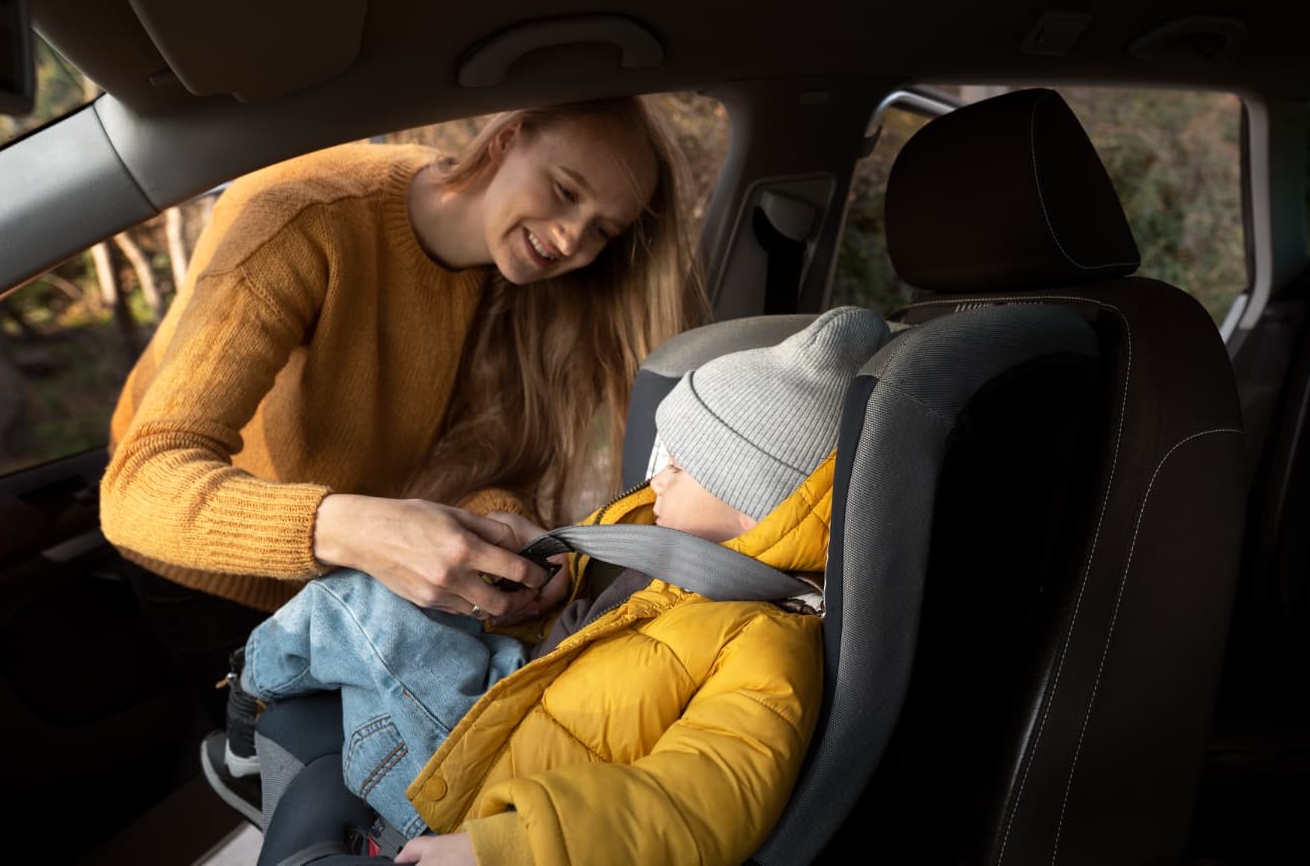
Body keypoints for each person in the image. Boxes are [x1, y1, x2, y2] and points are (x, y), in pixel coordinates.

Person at [100, 98, 709, 730]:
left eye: (603, 230)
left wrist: (503, 535)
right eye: (563, 191)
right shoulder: (309, 217)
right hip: (205, 555)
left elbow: (481, 460)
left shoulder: (531, 286)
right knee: (267, 759)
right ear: (508, 138)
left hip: (344, 575)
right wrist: (362, 533)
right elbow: (139, 487)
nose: (569, 239)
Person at [243, 305, 890, 866]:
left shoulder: (767, 644)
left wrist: (513, 845)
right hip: (516, 702)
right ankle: (262, 693)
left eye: (683, 467)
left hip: (482, 791)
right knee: (388, 597)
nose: (657, 478)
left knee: (361, 607)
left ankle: (250, 697)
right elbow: (594, 625)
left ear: (754, 504)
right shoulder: (658, 536)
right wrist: (544, 575)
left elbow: (699, 800)